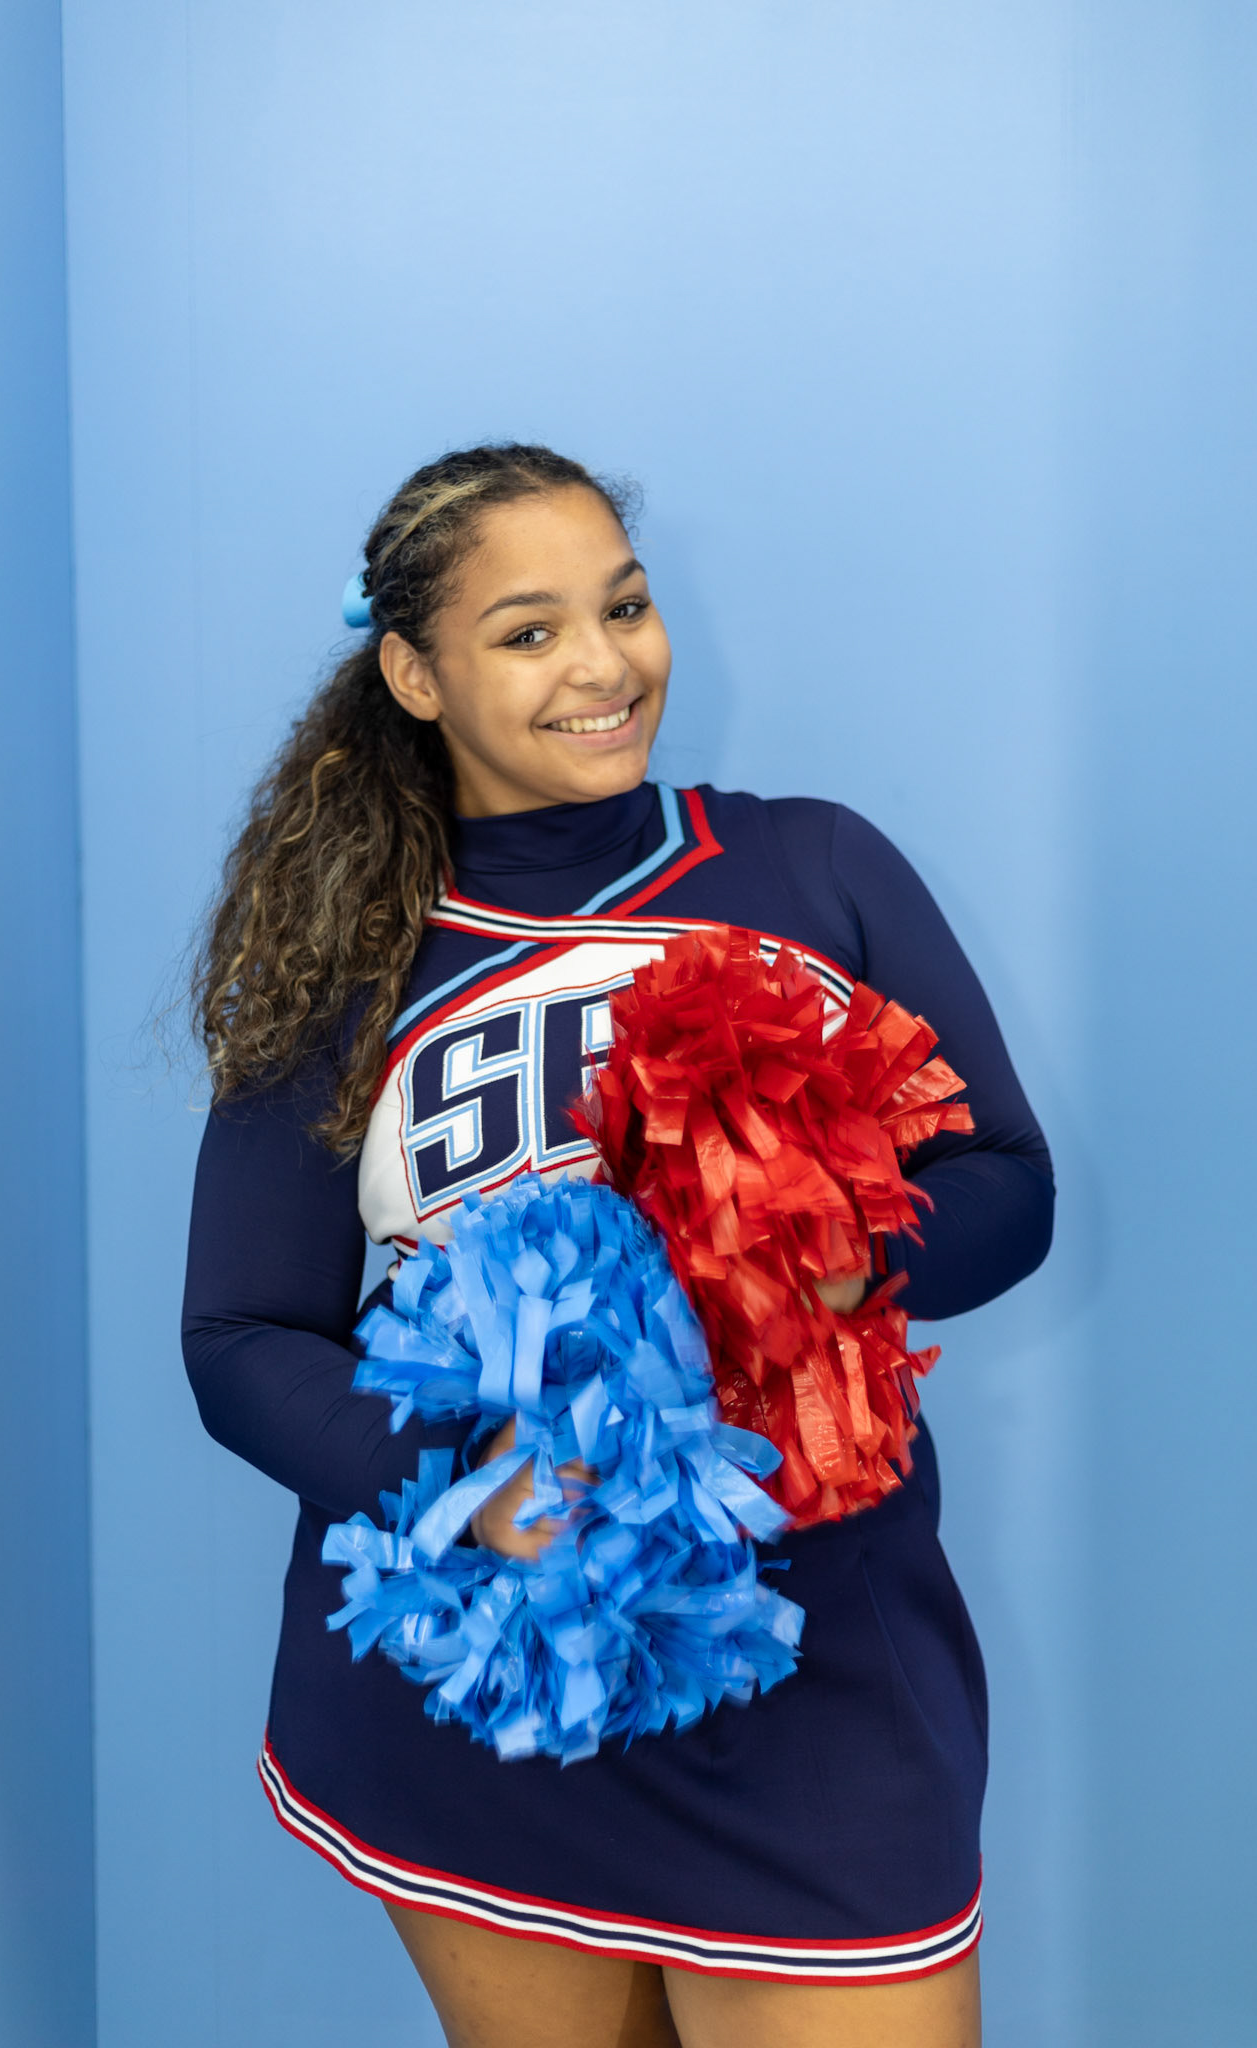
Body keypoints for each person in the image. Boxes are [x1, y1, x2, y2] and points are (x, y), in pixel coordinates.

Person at [182, 442, 1054, 2048]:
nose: (602, 666)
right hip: (490, 1675)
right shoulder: (349, 963)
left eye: (624, 608)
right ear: (412, 673)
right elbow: (238, 1339)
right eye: (527, 632)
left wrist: (842, 1258)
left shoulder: (809, 867)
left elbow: (1005, 1179)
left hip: (810, 1640)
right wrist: (466, 1481)